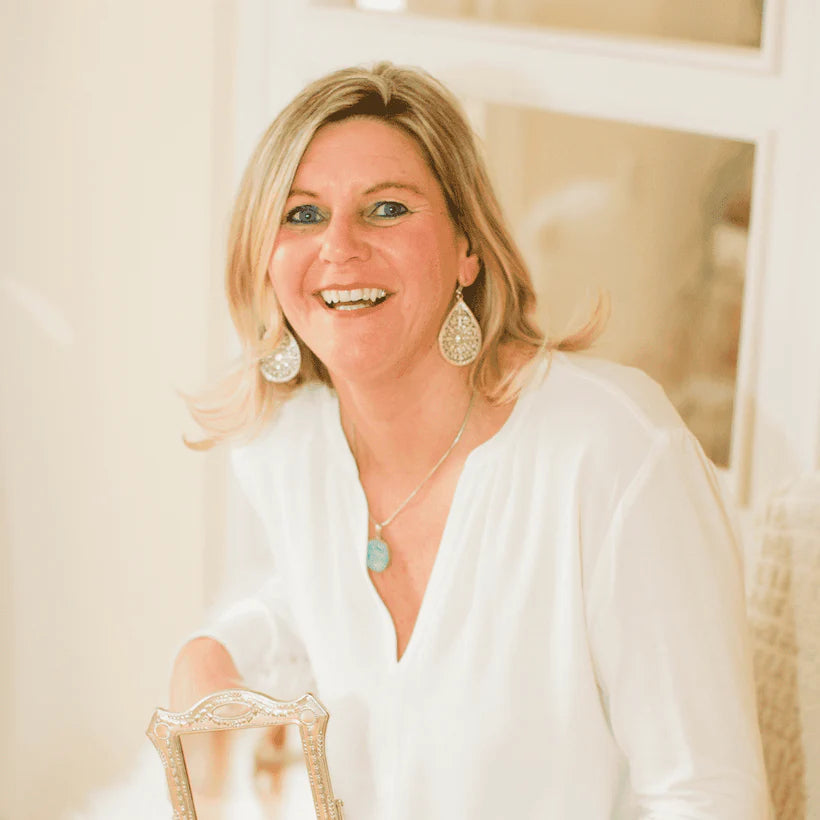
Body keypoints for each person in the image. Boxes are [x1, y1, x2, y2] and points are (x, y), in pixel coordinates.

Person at [171, 62, 771, 818]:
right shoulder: (285, 450)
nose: (340, 247)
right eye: (301, 215)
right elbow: (287, 613)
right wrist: (206, 663)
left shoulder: (611, 450)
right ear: (264, 258)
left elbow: (708, 795)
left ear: (467, 248)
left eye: (387, 208)